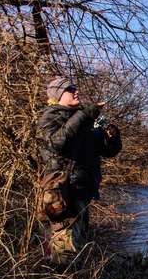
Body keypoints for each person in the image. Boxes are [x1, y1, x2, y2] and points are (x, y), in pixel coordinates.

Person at [37, 77, 122, 266]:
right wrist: (83, 115)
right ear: (58, 95)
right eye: (70, 89)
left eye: (75, 88)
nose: (76, 92)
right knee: (64, 248)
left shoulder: (83, 118)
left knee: (77, 244)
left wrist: (112, 138)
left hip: (83, 189)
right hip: (63, 191)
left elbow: (108, 151)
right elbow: (57, 143)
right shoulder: (50, 117)